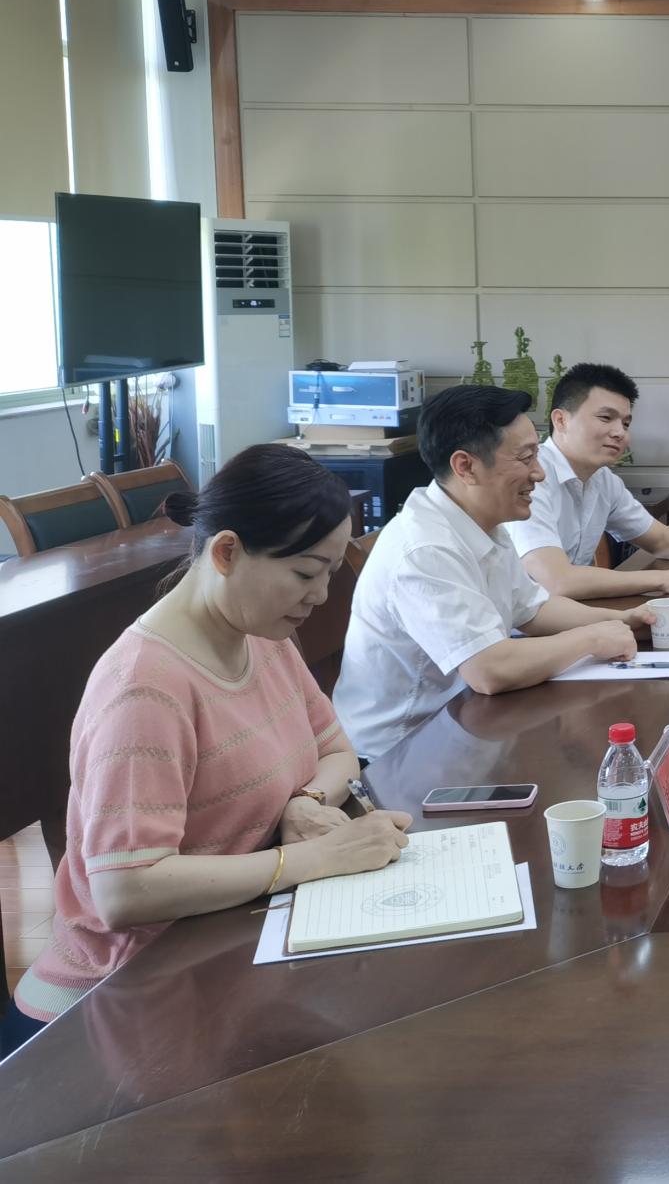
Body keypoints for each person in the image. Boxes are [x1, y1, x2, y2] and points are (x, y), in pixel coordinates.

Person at [2, 446, 412, 1059]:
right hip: (119, 999)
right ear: (226, 553)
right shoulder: (145, 687)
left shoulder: (261, 632)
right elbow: (126, 891)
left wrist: (303, 802)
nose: (322, 594)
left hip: (222, 948)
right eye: (306, 573)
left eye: (330, 572)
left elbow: (337, 753)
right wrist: (314, 858)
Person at [335, 385, 656, 761]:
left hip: (465, 722)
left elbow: (533, 609)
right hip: (401, 753)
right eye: (525, 458)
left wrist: (623, 621)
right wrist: (592, 639)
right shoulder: (425, 548)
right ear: (465, 466)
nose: (539, 473)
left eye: (537, 456)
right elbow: (489, 669)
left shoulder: (481, 519)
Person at [507, 362, 669, 600]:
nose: (619, 432)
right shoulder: (531, 478)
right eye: (605, 417)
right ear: (561, 420)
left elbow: (662, 540)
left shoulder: (603, 479)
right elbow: (557, 581)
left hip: (569, 611)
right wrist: (664, 579)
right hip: (520, 621)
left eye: (625, 423)